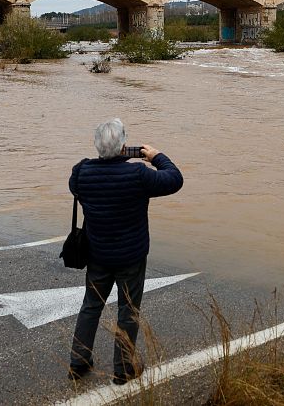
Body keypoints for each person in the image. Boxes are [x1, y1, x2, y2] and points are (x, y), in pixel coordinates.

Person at [67, 118, 183, 385]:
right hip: (131, 257)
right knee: (128, 311)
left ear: (97, 146)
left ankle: (78, 363)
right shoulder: (138, 174)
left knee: (91, 306)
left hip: (97, 255)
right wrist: (157, 156)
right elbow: (175, 179)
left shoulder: (81, 172)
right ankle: (123, 369)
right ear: (123, 147)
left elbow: (76, 186)